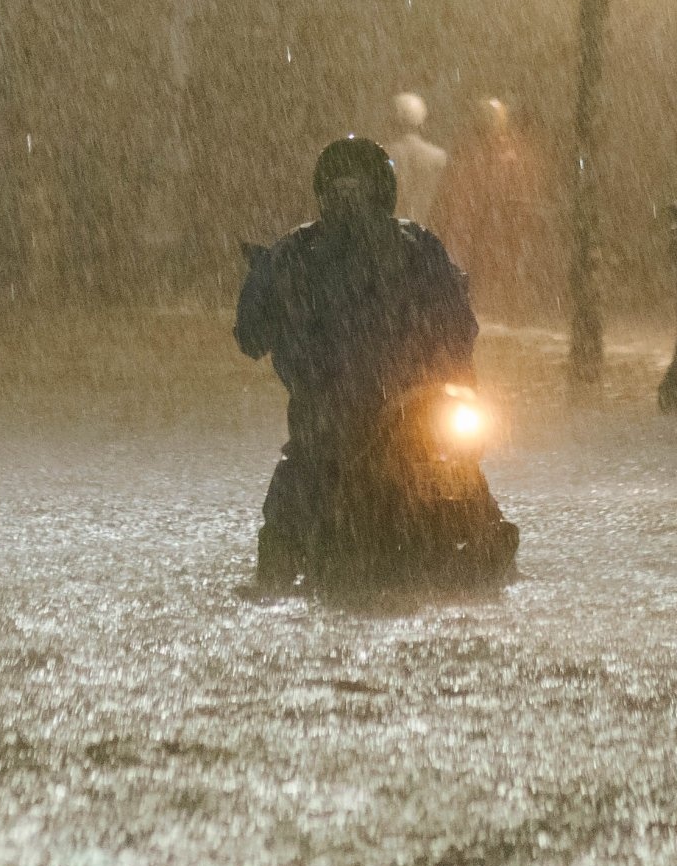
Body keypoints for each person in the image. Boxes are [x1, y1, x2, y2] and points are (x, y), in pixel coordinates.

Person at [236, 135, 480, 592]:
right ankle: (284, 562)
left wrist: (456, 378)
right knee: (293, 501)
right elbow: (251, 334)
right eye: (339, 191)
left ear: (378, 192)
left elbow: (457, 325)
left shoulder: (416, 246)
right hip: (327, 418)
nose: (349, 203)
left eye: (358, 190)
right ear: (324, 195)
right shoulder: (295, 253)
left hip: (410, 413)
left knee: (464, 480)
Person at [431, 96, 554, 311]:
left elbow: (524, 192)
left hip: (499, 227)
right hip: (490, 227)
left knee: (499, 275)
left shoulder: (498, 153)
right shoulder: (483, 152)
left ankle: (502, 308)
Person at [385, 93, 449, 228]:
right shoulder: (439, 157)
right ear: (422, 121)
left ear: (392, 120)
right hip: (427, 229)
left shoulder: (382, 156)